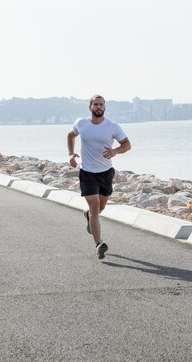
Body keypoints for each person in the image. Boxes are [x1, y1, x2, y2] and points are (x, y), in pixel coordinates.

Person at [67, 95, 131, 259]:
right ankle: (99, 244)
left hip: (105, 173)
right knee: (95, 206)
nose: (98, 107)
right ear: (90, 107)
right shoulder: (81, 123)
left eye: (101, 104)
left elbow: (127, 145)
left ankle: (88, 216)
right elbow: (70, 136)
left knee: (100, 208)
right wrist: (71, 155)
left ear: (104, 107)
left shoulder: (112, 126)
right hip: (87, 173)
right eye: (95, 104)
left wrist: (115, 151)